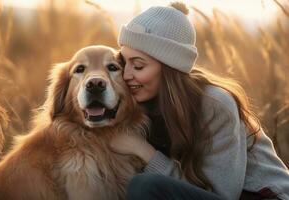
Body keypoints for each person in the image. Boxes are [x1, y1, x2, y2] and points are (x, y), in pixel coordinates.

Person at [109, 2, 289, 200]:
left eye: (138, 66)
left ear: (169, 69)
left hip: (264, 196)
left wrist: (143, 150)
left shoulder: (216, 105)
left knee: (145, 186)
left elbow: (222, 194)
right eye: (124, 63)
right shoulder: (140, 104)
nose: (126, 75)